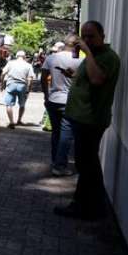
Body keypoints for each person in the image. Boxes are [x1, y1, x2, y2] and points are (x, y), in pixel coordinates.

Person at [55, 21, 121, 220]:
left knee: (87, 165)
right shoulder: (94, 56)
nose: (87, 40)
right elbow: (88, 77)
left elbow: (97, 79)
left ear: (103, 35)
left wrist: (88, 53)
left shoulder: (108, 57)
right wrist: (73, 74)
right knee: (85, 164)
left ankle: (90, 207)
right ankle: (85, 205)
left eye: (91, 36)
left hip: (91, 119)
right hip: (80, 117)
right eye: (84, 36)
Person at [41, 35, 83, 176]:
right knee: (66, 135)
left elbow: (42, 77)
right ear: (77, 45)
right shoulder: (80, 61)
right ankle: (60, 166)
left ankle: (55, 161)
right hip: (69, 101)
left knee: (56, 133)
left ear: (65, 43)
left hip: (53, 100)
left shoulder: (52, 58)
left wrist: (46, 96)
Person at [1, 51, 35, 128]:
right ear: (24, 57)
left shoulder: (10, 63)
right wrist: (28, 89)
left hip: (11, 85)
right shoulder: (28, 65)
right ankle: (19, 120)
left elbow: (3, 73)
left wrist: (2, 84)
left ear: (16, 56)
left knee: (9, 104)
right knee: (22, 104)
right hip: (22, 86)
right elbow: (30, 78)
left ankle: (11, 122)